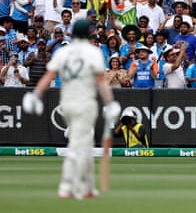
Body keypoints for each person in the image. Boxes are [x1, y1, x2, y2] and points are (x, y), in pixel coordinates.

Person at [22, 19, 122, 199]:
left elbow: (49, 75)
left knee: (85, 143)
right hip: (85, 103)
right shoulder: (93, 52)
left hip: (66, 104)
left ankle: (88, 186)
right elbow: (101, 82)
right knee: (78, 145)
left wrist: (36, 94)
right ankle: (66, 186)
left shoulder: (63, 52)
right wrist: (110, 103)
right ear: (90, 33)